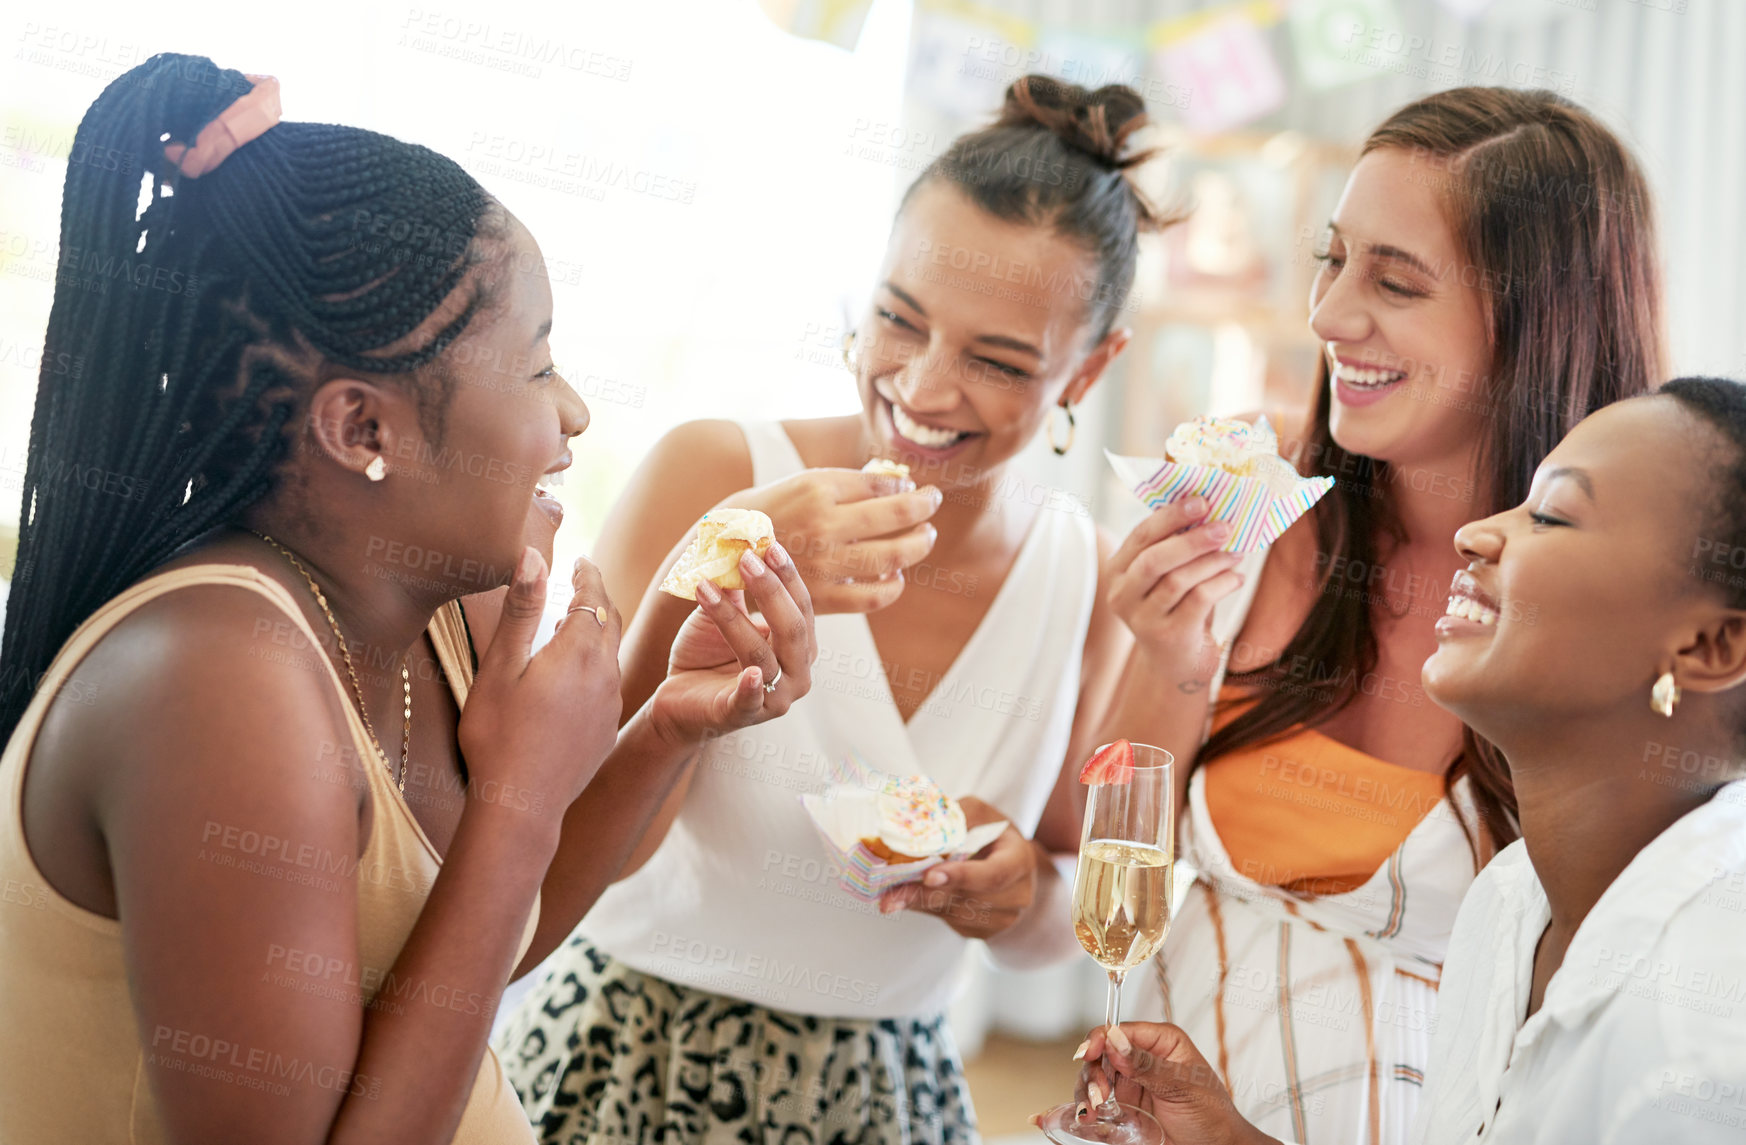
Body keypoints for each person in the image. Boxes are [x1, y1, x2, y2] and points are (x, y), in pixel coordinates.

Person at [0, 54, 816, 1145]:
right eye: (535, 368)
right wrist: (521, 799)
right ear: (363, 429)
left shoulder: (439, 603)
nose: (571, 411)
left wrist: (664, 722)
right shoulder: (218, 678)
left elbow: (464, 949)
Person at [496, 76, 1169, 1143]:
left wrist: (1018, 896)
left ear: (1090, 367)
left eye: (998, 361)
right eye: (898, 320)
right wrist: (712, 574)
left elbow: (1056, 923)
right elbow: (560, 852)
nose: (923, 388)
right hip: (630, 1059)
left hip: (887, 1094)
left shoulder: (1087, 577)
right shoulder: (716, 471)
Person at [1100, 87, 1666, 1142]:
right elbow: (1106, 866)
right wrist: (1170, 651)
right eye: (1333, 257)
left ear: (1537, 324)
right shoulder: (1254, 503)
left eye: (1395, 282)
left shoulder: (1621, 626)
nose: (1328, 316)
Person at [1057, 376, 1746, 1145]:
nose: (1477, 532)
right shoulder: (1510, 907)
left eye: (1551, 514)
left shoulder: (1702, 1035)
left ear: (1708, 646)